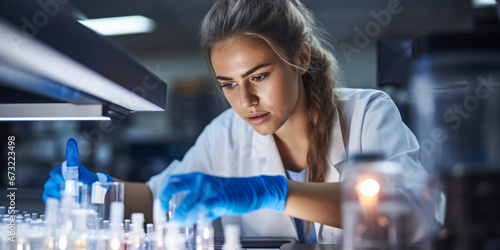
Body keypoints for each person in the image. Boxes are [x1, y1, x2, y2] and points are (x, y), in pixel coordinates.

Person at [43, 0, 437, 244]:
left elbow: (409, 215)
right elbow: (160, 198)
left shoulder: (367, 113)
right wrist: (101, 192)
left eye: (259, 76)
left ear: (300, 58)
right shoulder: (227, 134)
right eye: (228, 84)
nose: (245, 101)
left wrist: (273, 191)